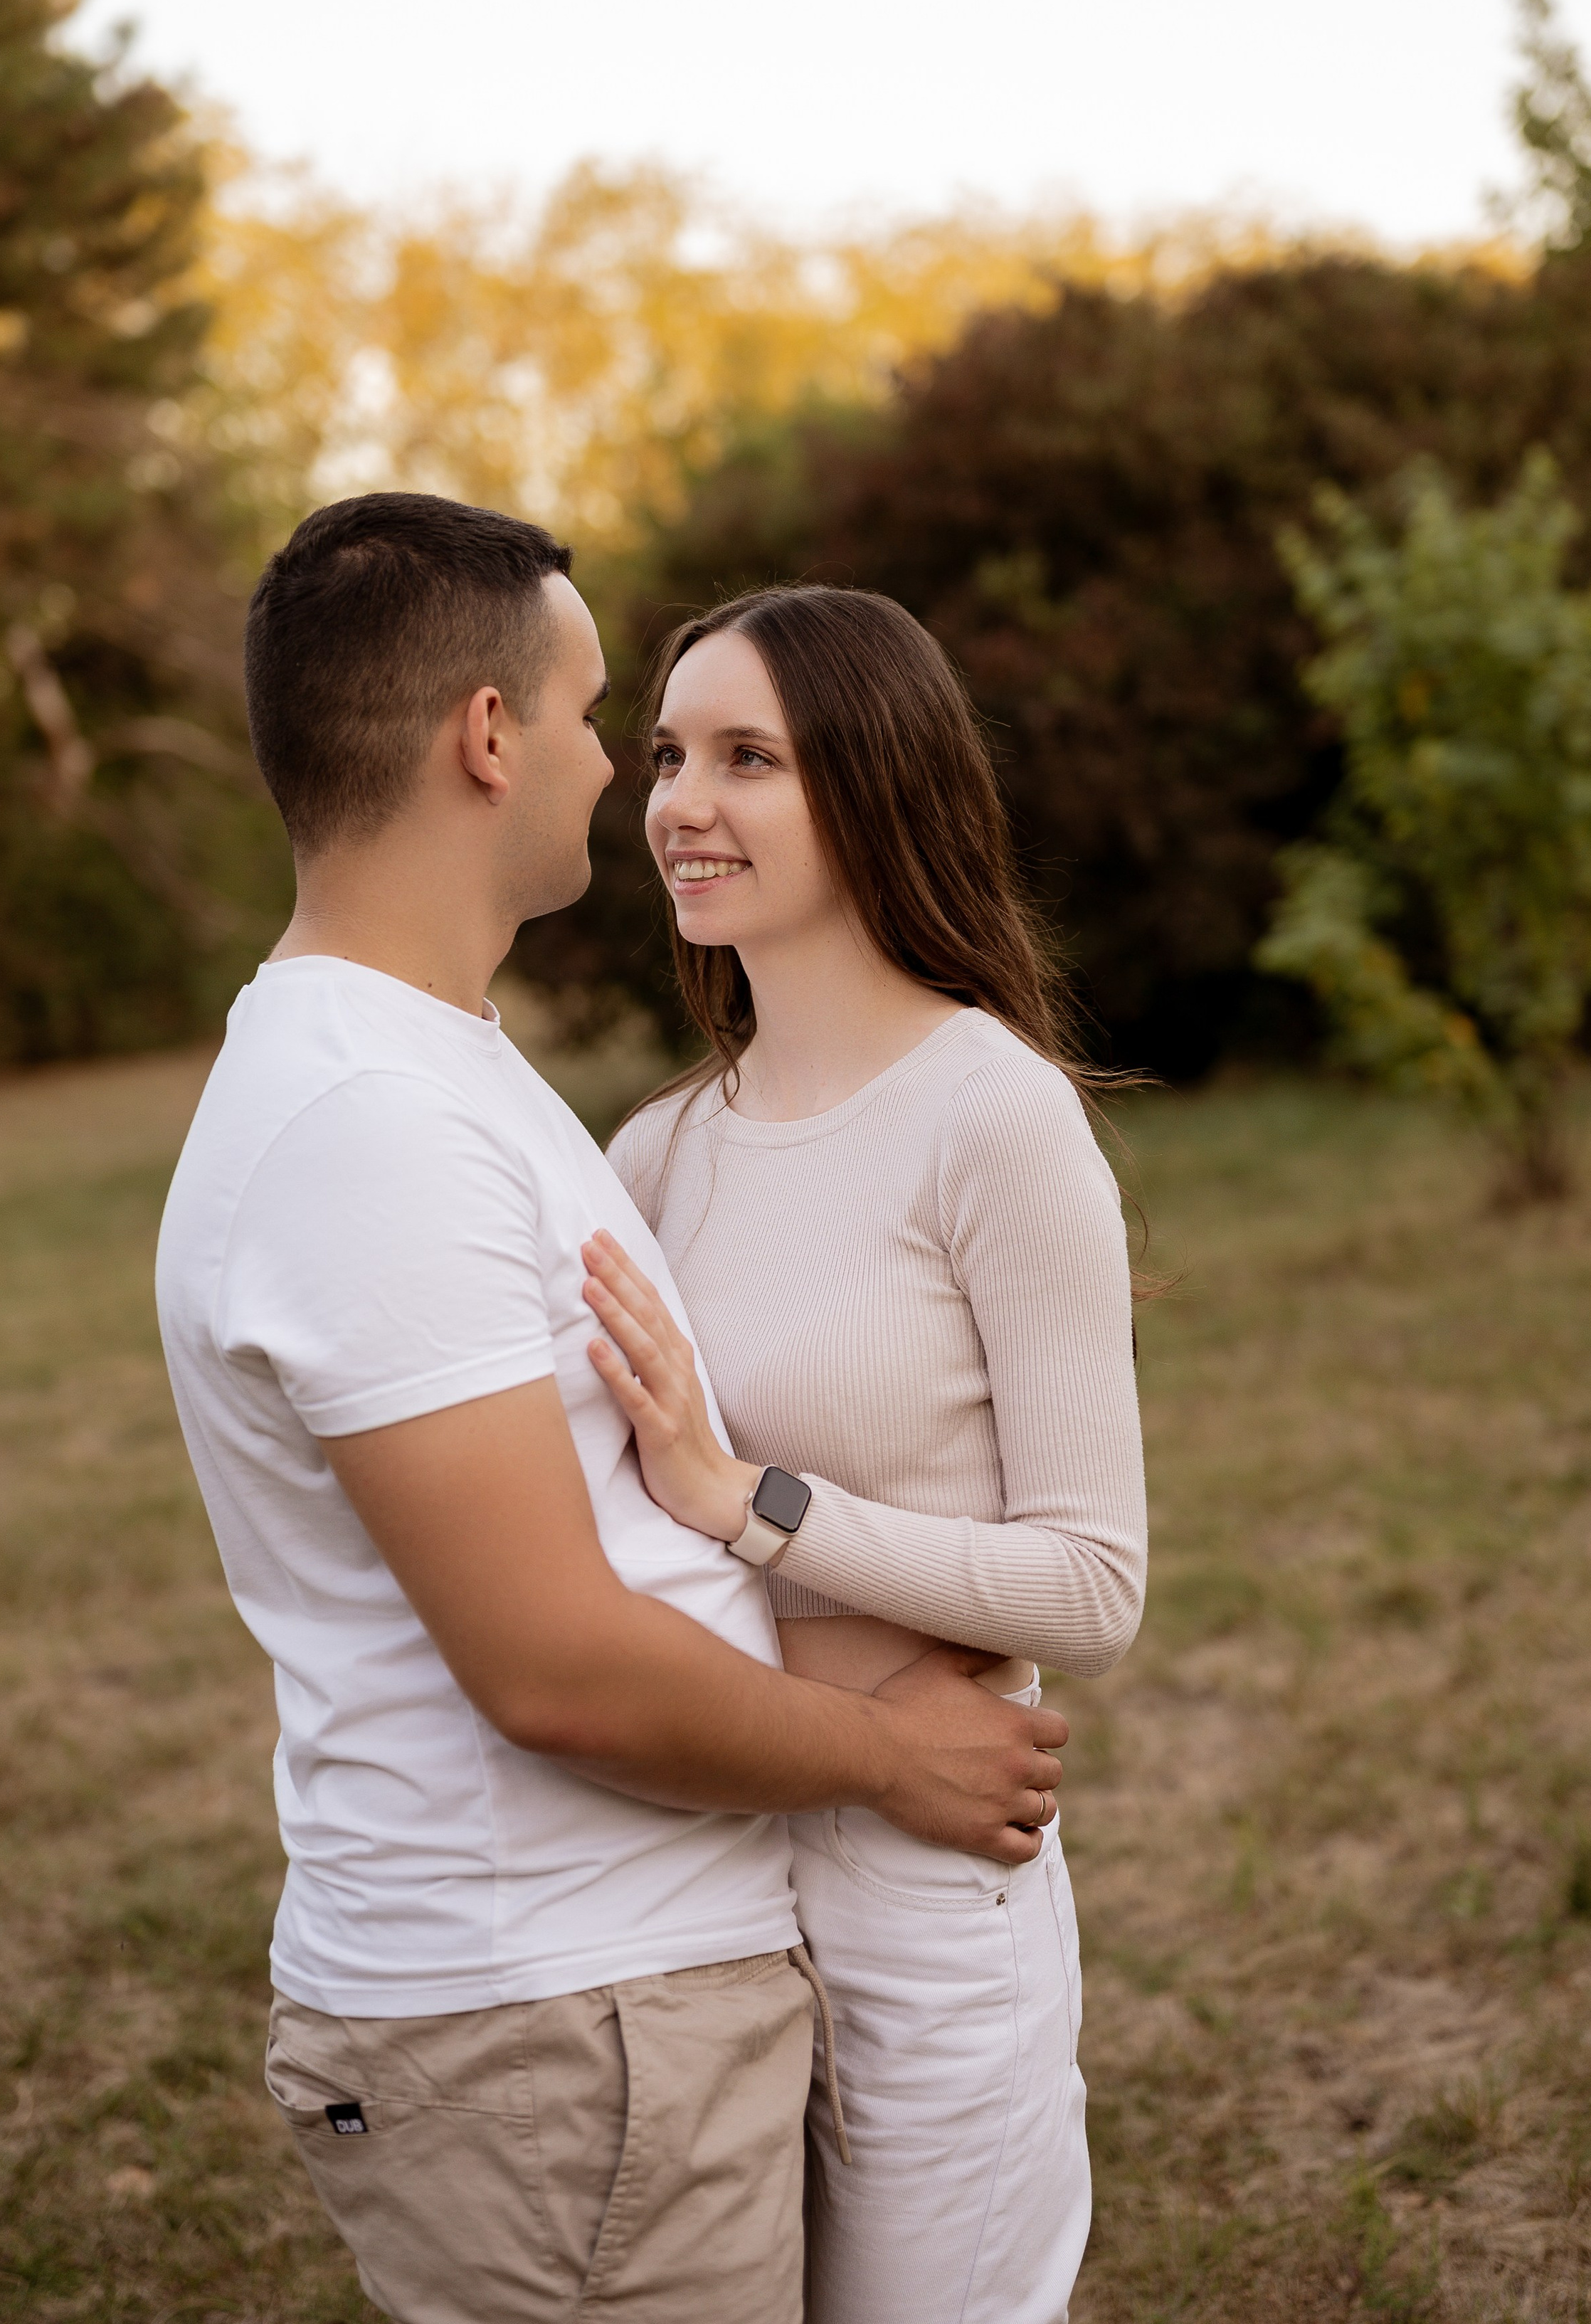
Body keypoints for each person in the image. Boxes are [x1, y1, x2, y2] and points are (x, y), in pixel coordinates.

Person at [154, 495, 1067, 2324]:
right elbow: (555, 1664)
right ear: (484, 737)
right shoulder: (371, 1129)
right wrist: (893, 1755)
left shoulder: (439, 1071)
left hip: (610, 2002)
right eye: (595, 721)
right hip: (553, 2032)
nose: (615, 774)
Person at [587, 584, 1147, 2324]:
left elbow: (1093, 1581)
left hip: (925, 1871)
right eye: (670, 752)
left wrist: (751, 1504)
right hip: (708, 1863)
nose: (682, 799)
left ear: (875, 783)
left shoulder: (990, 1112)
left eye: (748, 756)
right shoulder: (658, 1147)